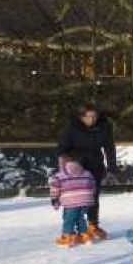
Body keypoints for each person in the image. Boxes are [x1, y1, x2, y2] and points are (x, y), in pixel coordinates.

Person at [57, 103, 118, 240]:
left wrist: (112, 168)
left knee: (93, 196)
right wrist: (65, 169)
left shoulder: (104, 126)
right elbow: (62, 149)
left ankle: (92, 224)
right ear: (81, 116)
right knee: (74, 199)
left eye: (94, 116)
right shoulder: (72, 127)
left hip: (95, 164)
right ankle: (70, 229)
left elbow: (109, 147)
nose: (92, 119)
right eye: (88, 116)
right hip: (75, 166)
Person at [49, 153, 98, 247]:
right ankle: (84, 235)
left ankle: (67, 236)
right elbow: (93, 185)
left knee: (68, 219)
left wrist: (55, 199)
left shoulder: (59, 175)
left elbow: (55, 188)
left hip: (71, 201)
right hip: (85, 201)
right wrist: (89, 196)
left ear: (63, 164)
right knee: (80, 218)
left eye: (59, 163)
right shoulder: (86, 172)